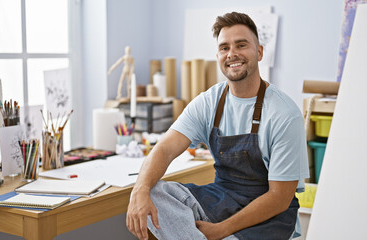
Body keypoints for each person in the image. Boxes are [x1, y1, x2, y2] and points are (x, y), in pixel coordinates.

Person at [126, 12, 309, 240]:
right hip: (222, 198)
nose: (232, 53)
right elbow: (163, 149)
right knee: (152, 190)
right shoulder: (209, 101)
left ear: (259, 52)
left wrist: (221, 230)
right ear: (218, 55)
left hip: (270, 216)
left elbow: (279, 198)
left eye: (241, 45)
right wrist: (139, 190)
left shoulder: (284, 114)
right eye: (224, 48)